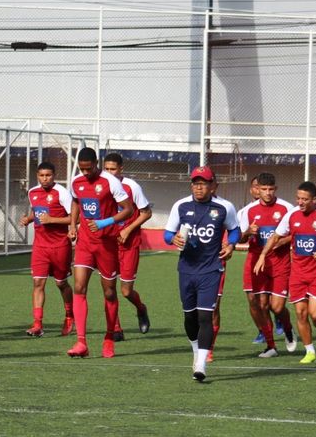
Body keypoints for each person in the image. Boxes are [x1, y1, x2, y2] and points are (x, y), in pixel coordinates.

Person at [255, 181, 316, 363]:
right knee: (300, 313)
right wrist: (263, 255)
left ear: (314, 199)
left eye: (305, 199)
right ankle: (309, 351)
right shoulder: (291, 215)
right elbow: (276, 236)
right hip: (298, 273)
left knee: (315, 314)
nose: (300, 202)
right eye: (298, 198)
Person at [164, 166, 240, 382]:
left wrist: (231, 245)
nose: (199, 187)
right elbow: (167, 234)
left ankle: (201, 364)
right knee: (190, 318)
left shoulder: (224, 207)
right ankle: (196, 351)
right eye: (195, 183)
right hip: (186, 269)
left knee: (205, 316)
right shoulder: (181, 205)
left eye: (203, 184)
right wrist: (173, 239)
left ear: (213, 186)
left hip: (211, 269)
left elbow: (235, 229)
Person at [66, 147, 133, 358]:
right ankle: (81, 342)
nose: (85, 173)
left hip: (106, 244)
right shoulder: (76, 182)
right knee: (79, 287)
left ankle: (109, 337)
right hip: (85, 243)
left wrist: (105, 222)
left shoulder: (110, 182)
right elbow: (76, 201)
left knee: (109, 292)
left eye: (89, 168)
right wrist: (72, 225)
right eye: (82, 169)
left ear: (96, 163)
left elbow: (128, 209)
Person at [237, 172, 297, 357]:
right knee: (261, 304)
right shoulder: (248, 211)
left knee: (277, 307)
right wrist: (248, 232)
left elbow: (296, 233)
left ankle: (288, 328)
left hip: (280, 262)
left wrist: (282, 241)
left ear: (275, 189)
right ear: (258, 190)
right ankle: (271, 346)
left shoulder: (287, 208)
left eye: (271, 189)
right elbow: (240, 238)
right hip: (258, 262)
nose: (268, 193)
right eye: (264, 189)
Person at [19, 161, 75, 337]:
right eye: (42, 175)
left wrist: (52, 220)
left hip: (60, 246)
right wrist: (28, 219)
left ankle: (69, 316)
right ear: (37, 176)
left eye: (48, 175)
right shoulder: (32, 192)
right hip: (40, 246)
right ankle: (37, 325)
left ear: (54, 176)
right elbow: (37, 212)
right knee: (38, 283)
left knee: (61, 283)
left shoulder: (62, 193)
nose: (45, 179)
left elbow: (75, 218)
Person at [102, 152, 153, 339]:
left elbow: (146, 212)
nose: (109, 172)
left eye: (113, 169)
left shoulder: (132, 186)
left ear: (121, 169)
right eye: (106, 169)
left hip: (129, 245)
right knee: (109, 289)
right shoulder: (100, 187)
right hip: (107, 245)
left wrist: (128, 230)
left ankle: (141, 308)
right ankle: (115, 328)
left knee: (126, 291)